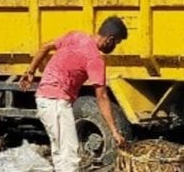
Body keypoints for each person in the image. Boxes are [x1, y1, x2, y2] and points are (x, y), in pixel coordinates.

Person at [19, 16, 128, 172]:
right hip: (56, 102)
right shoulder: (95, 59)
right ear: (109, 39)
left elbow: (45, 46)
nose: (115, 47)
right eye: (116, 43)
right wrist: (114, 131)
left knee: (60, 152)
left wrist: (30, 72)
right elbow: (102, 97)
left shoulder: (76, 36)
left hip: (44, 98)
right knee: (69, 155)